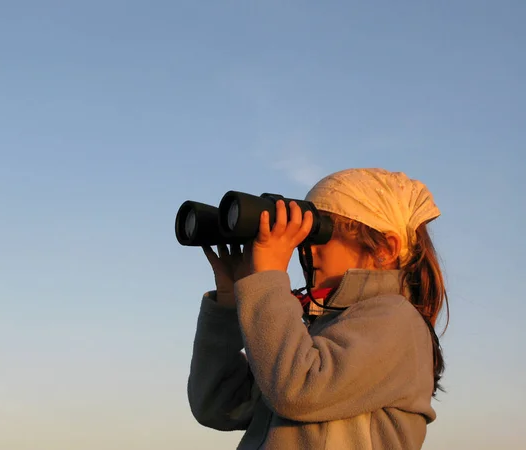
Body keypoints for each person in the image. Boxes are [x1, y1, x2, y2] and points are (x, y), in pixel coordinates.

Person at [187, 168, 448, 450]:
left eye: (319, 235)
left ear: (384, 248)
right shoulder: (313, 333)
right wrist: (229, 301)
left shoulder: (397, 320)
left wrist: (267, 278)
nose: (306, 251)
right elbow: (217, 405)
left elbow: (297, 390)